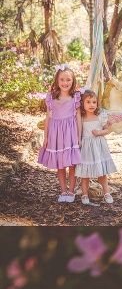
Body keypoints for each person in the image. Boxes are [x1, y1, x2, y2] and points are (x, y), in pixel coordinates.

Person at [37, 64, 82, 203]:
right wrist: (46, 137)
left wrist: (79, 137)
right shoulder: (51, 97)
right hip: (56, 134)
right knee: (60, 164)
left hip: (71, 133)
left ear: (73, 81)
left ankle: (71, 191)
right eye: (62, 79)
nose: (65, 83)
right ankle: (63, 191)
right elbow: (48, 118)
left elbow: (78, 118)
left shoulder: (76, 97)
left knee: (72, 163)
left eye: (68, 80)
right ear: (57, 81)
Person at [74, 88, 118, 205]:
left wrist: (99, 133)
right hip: (87, 148)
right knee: (85, 172)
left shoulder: (100, 116)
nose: (91, 105)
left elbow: (107, 130)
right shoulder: (81, 118)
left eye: (94, 102)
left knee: (102, 171)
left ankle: (106, 192)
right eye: (88, 102)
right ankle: (84, 194)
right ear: (82, 104)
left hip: (98, 146)